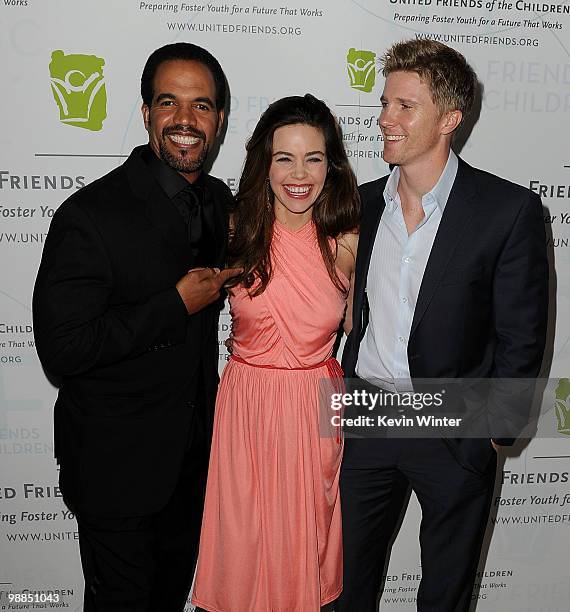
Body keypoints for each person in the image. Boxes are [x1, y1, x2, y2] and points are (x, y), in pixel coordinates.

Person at [337, 39, 548, 611]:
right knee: (342, 588)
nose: (386, 118)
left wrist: (494, 432)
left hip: (454, 427)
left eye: (406, 106)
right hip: (368, 421)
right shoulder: (360, 206)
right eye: (385, 103)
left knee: (444, 597)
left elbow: (522, 336)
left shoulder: (507, 212)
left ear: (450, 119)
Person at [32, 43, 241, 612]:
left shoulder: (221, 202)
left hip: (193, 466)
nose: (185, 120)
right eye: (168, 102)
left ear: (219, 120)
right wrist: (175, 303)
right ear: (146, 112)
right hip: (114, 470)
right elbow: (63, 349)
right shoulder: (90, 215)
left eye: (202, 106)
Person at [191, 94, 360, 612]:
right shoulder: (233, 229)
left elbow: (364, 328)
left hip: (315, 408)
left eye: (313, 158)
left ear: (331, 165)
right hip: (246, 408)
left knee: (304, 542)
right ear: (263, 162)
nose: (299, 174)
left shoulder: (347, 236)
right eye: (284, 157)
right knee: (242, 547)